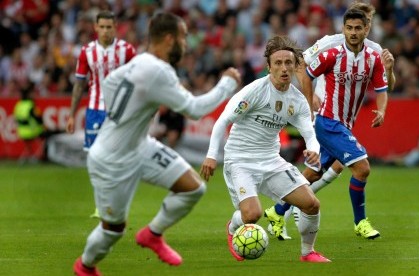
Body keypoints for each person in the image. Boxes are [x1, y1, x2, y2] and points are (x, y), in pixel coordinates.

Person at [73, 12, 241, 275]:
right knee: (113, 229)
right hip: (112, 160)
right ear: (169, 38)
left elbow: (109, 83)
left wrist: (131, 114)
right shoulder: (157, 70)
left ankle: (152, 234)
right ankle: (85, 266)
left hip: (140, 146)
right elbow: (195, 109)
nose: (186, 45)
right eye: (184, 38)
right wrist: (227, 84)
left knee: (193, 188)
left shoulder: (139, 61)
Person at [265, 2, 396, 240]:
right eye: (349, 27)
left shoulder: (374, 55)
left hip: (344, 123)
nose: (354, 32)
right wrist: (309, 102)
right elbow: (303, 68)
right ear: (344, 28)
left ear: (367, 27)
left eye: (359, 26)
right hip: (327, 120)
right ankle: (361, 222)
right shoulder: (331, 49)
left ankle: (277, 210)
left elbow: (383, 87)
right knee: (362, 167)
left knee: (314, 174)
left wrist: (382, 109)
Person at [200, 35, 330, 263]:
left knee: (311, 204)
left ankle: (308, 253)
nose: (283, 68)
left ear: (295, 65)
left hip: (271, 160)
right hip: (240, 160)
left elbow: (310, 133)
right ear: (268, 66)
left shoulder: (297, 100)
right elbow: (222, 121)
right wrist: (211, 156)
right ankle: (233, 226)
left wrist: (313, 150)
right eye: (278, 63)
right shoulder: (254, 91)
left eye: (288, 63)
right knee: (252, 215)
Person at [65, 11, 136, 219]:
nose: (105, 31)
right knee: (95, 159)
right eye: (102, 27)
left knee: (119, 159)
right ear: (95, 28)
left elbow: (138, 81)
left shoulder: (127, 51)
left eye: (109, 27)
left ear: (115, 27)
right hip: (95, 111)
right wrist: (71, 115)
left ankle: (116, 203)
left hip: (120, 112)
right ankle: (100, 206)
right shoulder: (86, 52)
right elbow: (79, 85)